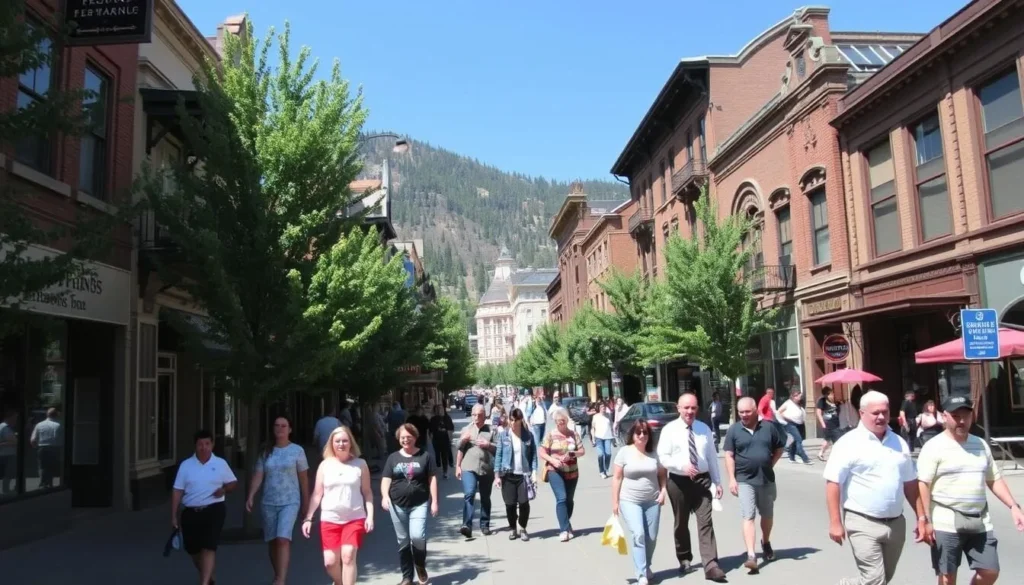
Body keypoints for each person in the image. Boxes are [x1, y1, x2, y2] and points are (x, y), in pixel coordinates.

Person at [917, 395, 1024, 585]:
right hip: (945, 521)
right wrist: (925, 520)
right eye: (955, 416)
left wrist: (1014, 506)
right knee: (947, 577)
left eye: (965, 415)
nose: (961, 421)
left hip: (980, 521)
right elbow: (923, 484)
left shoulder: (980, 444)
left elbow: (994, 479)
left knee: (990, 572)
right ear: (944, 416)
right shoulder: (933, 447)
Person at [823, 391, 927, 585]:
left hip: (896, 523)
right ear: (862, 413)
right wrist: (835, 522)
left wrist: (922, 518)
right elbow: (833, 483)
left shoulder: (899, 443)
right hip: (862, 521)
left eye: (885, 412)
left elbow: (911, 484)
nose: (881, 417)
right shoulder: (848, 443)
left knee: (883, 578)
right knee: (875, 579)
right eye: (875, 413)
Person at [656, 393, 727, 582]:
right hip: (679, 481)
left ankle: (711, 565)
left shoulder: (703, 429)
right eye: (686, 408)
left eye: (693, 408)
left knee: (706, 522)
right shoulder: (669, 430)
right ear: (678, 408)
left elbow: (711, 457)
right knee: (681, 523)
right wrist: (681, 466)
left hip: (702, 481)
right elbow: (663, 457)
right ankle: (685, 557)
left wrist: (717, 481)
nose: (690, 411)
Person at [302, 426, 374, 585]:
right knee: (330, 562)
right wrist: (308, 518)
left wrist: (370, 516)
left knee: (348, 555)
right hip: (330, 518)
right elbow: (317, 494)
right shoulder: (325, 465)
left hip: (354, 517)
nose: (341, 444)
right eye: (337, 441)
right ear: (331, 444)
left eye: (345, 441)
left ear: (351, 443)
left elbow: (367, 492)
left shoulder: (360, 464)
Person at [724, 397, 787, 573]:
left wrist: (770, 463)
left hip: (766, 478)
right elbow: (729, 455)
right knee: (748, 515)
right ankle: (751, 555)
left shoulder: (768, 427)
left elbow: (779, 448)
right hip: (745, 480)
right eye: (741, 412)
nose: (744, 415)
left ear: (755, 411)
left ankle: (765, 542)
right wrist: (731, 478)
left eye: (747, 412)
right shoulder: (734, 430)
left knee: (767, 515)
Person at [246, 416, 310, 585]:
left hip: (290, 501)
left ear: (290, 429)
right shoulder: (266, 451)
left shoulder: (297, 451)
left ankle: (280, 579)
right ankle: (278, 575)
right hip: (269, 502)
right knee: (273, 541)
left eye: (284, 426)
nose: (280, 428)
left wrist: (306, 502)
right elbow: (259, 474)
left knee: (283, 538)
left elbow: (304, 479)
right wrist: (251, 495)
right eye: (277, 425)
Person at [171, 429, 238, 585]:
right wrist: (173, 515)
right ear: (195, 446)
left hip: (214, 509)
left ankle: (204, 583)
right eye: (200, 444)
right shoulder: (186, 466)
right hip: (191, 511)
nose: (204, 447)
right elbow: (177, 490)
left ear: (212, 445)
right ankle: (208, 578)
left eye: (207, 443)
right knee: (194, 550)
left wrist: (225, 489)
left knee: (209, 546)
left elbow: (233, 483)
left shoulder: (220, 463)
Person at [382, 424, 439, 585]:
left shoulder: (424, 456)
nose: (406, 440)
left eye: (409, 437)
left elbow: (432, 478)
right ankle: (407, 577)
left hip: (419, 503)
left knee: (417, 536)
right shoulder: (393, 458)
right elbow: (386, 478)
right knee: (403, 541)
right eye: (402, 437)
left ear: (415, 437)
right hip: (397, 505)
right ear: (398, 439)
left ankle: (420, 567)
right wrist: (384, 496)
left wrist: (434, 501)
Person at [612, 420, 667, 585]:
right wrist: (615, 502)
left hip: (652, 500)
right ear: (633, 435)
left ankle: (647, 566)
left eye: (645, 432)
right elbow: (617, 478)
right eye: (638, 433)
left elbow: (663, 474)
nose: (642, 436)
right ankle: (641, 573)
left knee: (652, 537)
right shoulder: (624, 452)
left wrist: (663, 491)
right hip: (630, 500)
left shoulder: (654, 454)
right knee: (638, 533)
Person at [540, 406, 585, 542]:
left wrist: (573, 453)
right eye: (558, 421)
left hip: (572, 471)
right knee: (562, 498)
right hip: (555, 470)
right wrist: (552, 459)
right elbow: (542, 452)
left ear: (567, 421)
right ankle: (564, 530)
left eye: (563, 421)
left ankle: (566, 523)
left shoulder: (573, 434)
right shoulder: (550, 434)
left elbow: (582, 451)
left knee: (569, 500)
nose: (560, 423)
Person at [495, 408, 538, 541]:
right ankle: (513, 528)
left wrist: (534, 473)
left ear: (520, 420)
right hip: (507, 475)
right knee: (510, 504)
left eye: (516, 420)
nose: (513, 423)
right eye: (511, 420)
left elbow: (534, 456)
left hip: (523, 475)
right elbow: (498, 456)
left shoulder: (528, 436)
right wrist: (497, 476)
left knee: (524, 503)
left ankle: (523, 527)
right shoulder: (504, 436)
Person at [455, 403, 497, 538]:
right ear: (471, 415)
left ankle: (485, 524)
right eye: (474, 414)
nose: (477, 417)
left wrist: (488, 445)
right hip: (468, 467)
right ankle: (466, 525)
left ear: (485, 416)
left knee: (485, 497)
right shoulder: (466, 429)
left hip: (486, 468)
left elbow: (499, 450)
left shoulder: (491, 430)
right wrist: (458, 466)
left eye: (480, 415)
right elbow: (459, 448)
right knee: (469, 493)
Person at [29, 408, 62, 488]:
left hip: (42, 448)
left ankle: (43, 482)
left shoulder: (39, 425)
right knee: (52, 466)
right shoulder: (59, 425)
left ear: (47, 415)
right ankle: (50, 482)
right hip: (55, 448)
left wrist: (36, 447)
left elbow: (33, 440)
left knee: (42, 466)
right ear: (57, 415)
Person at [778, 390, 811, 465]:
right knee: (798, 439)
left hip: (799, 423)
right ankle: (804, 458)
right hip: (791, 423)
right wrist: (785, 419)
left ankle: (791, 457)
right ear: (794, 396)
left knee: (798, 439)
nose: (800, 397)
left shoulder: (799, 403)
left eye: (800, 396)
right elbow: (779, 412)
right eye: (799, 396)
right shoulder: (788, 403)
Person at [428, 405, 455, 479]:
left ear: (443, 410)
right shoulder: (433, 419)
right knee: (437, 454)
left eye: (441, 409)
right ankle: (438, 464)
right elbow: (430, 430)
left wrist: (450, 437)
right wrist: (431, 437)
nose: (440, 411)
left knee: (444, 456)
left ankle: (445, 472)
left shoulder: (447, 418)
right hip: (436, 440)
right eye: (438, 409)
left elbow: (451, 428)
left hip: (445, 440)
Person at [816, 387, 840, 462]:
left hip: (836, 423)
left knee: (828, 441)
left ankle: (820, 453)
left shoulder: (835, 401)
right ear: (827, 394)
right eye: (831, 393)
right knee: (835, 440)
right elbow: (818, 413)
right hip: (828, 423)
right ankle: (836, 456)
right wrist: (822, 423)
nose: (833, 394)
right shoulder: (822, 401)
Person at [592, 402, 615, 479]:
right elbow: (592, 428)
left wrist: (613, 438)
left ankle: (606, 468)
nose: (603, 408)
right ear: (599, 408)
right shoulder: (595, 417)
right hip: (599, 437)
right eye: (602, 407)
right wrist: (593, 438)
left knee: (608, 454)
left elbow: (611, 427)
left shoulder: (608, 416)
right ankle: (601, 471)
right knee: (601, 454)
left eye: (604, 407)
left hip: (608, 437)